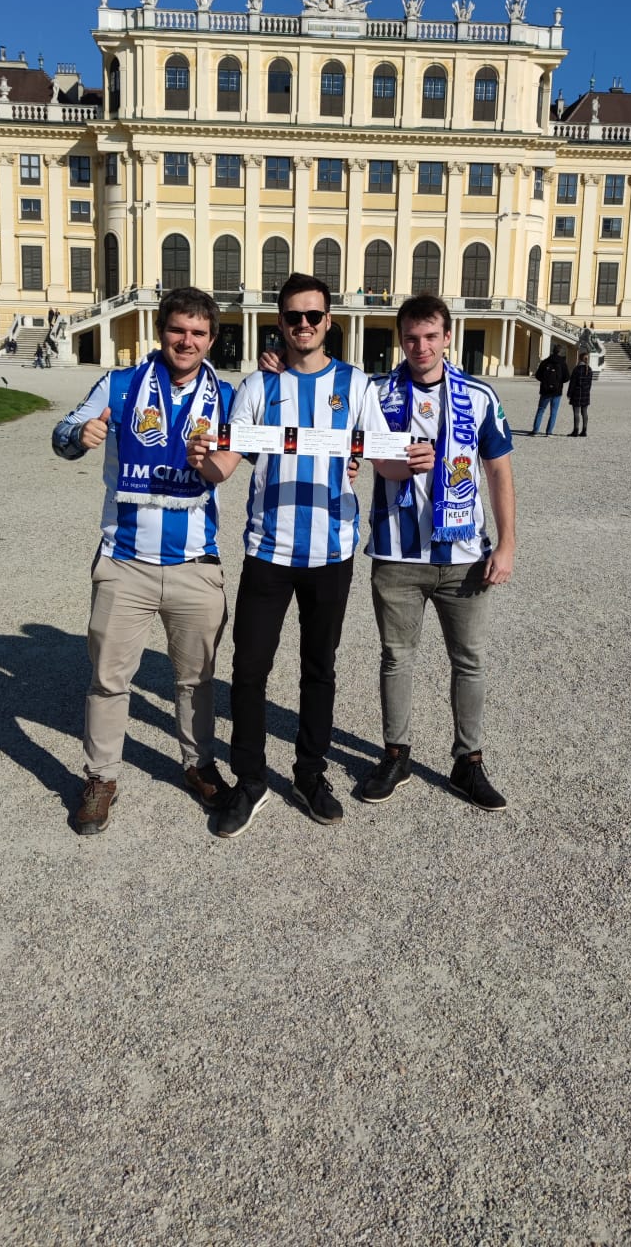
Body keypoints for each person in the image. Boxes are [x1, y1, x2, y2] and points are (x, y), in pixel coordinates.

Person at [187, 274, 392, 840]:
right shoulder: (258, 386)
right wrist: (203, 458)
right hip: (269, 548)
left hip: (332, 549)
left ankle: (308, 773)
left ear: (329, 321)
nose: (304, 324)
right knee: (249, 670)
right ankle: (250, 779)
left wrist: (411, 459)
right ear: (280, 322)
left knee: (319, 670)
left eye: (314, 315)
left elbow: (380, 457)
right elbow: (228, 463)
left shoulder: (355, 385)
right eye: (294, 316)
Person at [52, 288, 235, 835]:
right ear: (162, 331)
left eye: (199, 333)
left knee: (196, 678)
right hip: (125, 559)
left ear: (211, 340)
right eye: (179, 329)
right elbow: (61, 433)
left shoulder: (225, 396)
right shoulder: (119, 383)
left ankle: (198, 763)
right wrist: (79, 437)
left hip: (195, 561)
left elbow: (256, 451)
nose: (187, 341)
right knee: (109, 678)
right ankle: (101, 775)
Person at [360, 295, 515, 812]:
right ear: (399, 339)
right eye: (410, 337)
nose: (420, 347)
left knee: (469, 660)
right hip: (398, 553)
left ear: (448, 337)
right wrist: (404, 463)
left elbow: (499, 471)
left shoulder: (479, 396)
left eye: (430, 336)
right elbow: (375, 462)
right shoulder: (377, 394)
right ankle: (397, 754)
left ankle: (467, 761)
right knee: (395, 658)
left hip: (465, 553)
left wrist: (509, 544)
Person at [530, 345, 569, 436]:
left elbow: (538, 376)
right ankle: (549, 432)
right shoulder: (563, 363)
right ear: (560, 353)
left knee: (541, 410)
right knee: (553, 412)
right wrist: (559, 382)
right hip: (557, 391)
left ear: (553, 351)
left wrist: (545, 382)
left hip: (545, 390)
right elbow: (567, 377)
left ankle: (535, 430)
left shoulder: (545, 362)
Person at [567, 351, 593, 436]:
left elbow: (572, 383)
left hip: (577, 393)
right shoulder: (589, 369)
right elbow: (590, 384)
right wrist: (587, 391)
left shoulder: (577, 369)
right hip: (586, 393)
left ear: (579, 358)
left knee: (576, 412)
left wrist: (569, 393)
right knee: (584, 412)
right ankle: (584, 431)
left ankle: (576, 430)